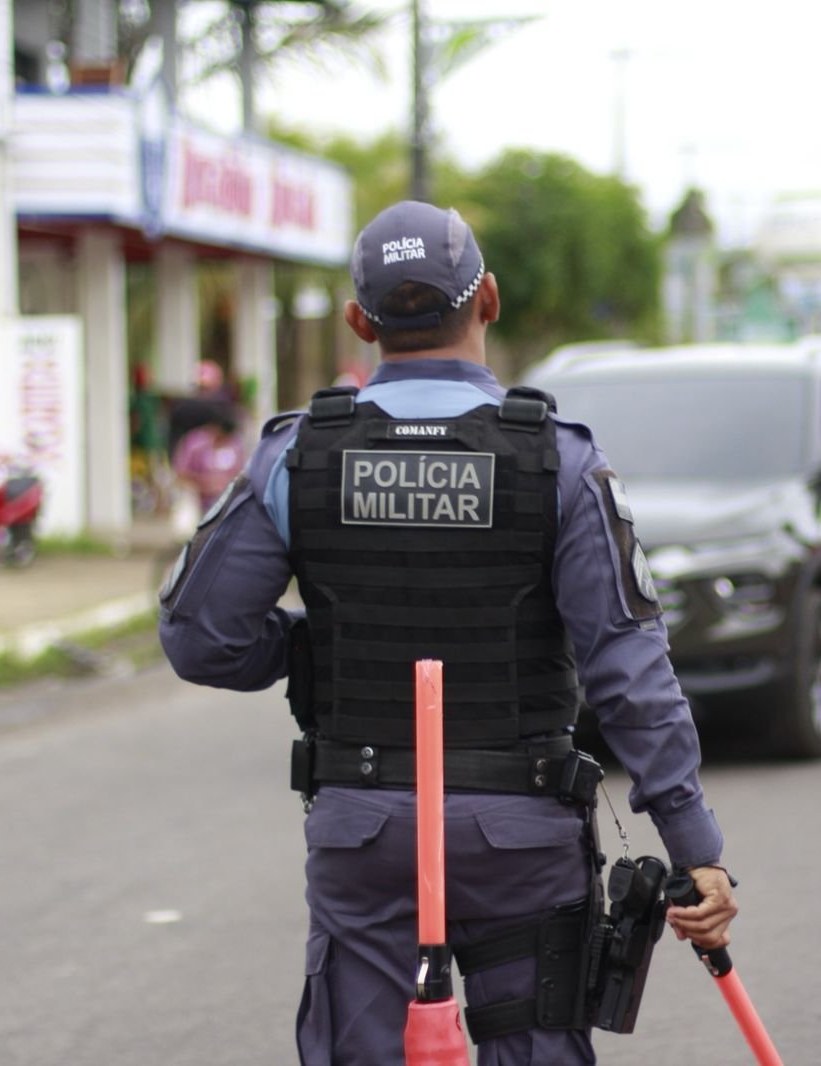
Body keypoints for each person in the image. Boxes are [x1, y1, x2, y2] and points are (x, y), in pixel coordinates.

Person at [158, 200, 737, 1065]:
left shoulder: (297, 455)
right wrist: (695, 849)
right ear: (489, 299)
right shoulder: (558, 460)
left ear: (360, 321)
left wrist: (322, 645)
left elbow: (204, 639)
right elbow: (628, 670)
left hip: (365, 830)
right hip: (520, 832)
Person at [170, 405, 247, 514]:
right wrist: (205, 484)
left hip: (228, 501)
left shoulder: (235, 444)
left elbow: (241, 472)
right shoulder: (195, 443)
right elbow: (181, 473)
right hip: (200, 502)